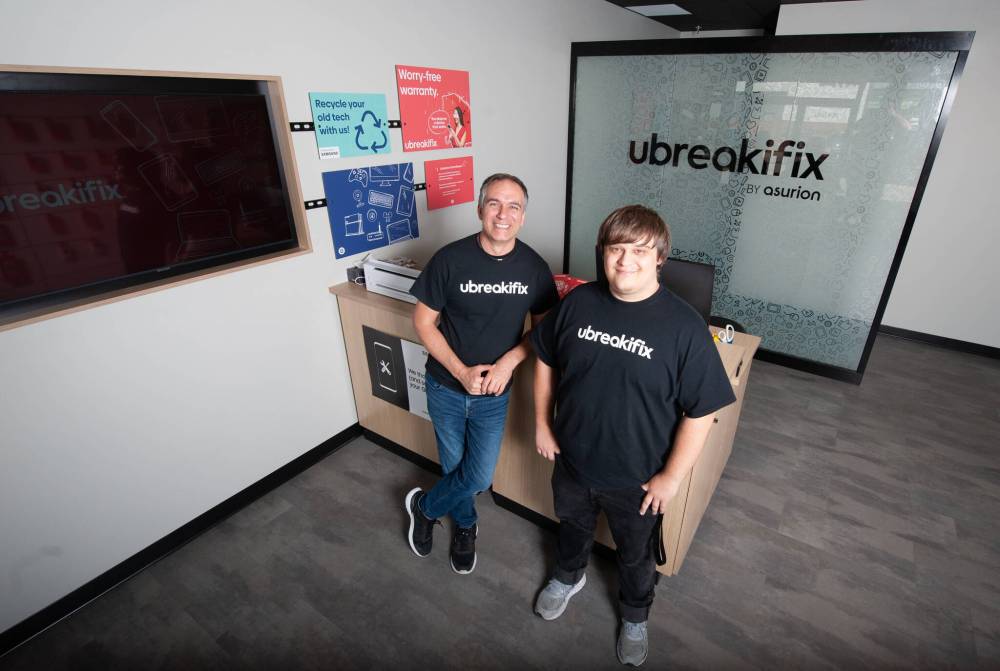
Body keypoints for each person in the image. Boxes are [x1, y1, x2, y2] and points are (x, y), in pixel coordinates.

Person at [530, 205, 736, 666]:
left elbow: (701, 413)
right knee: (573, 528)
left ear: (659, 257)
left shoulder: (684, 328)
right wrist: (543, 424)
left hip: (638, 479)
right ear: (603, 252)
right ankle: (568, 576)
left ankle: (636, 615)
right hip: (573, 460)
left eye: (639, 250)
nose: (626, 260)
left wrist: (672, 478)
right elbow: (544, 358)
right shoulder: (579, 302)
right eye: (616, 249)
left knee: (635, 555)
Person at [405, 173, 558, 575]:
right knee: (454, 466)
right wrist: (460, 371)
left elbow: (543, 331)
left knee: (477, 475)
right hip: (444, 386)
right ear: (479, 209)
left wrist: (508, 363)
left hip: (494, 395)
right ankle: (466, 527)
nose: (503, 214)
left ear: (523, 216)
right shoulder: (449, 259)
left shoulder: (534, 267)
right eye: (494, 203)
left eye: (513, 206)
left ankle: (424, 507)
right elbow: (422, 323)